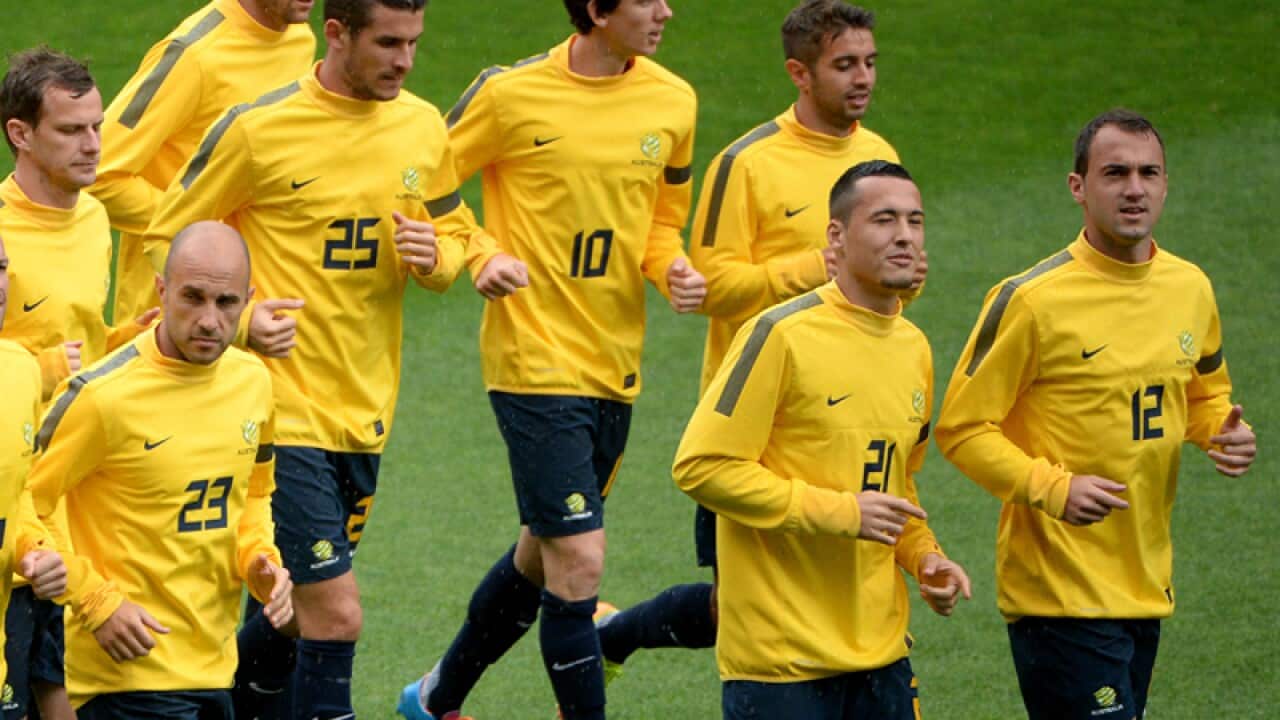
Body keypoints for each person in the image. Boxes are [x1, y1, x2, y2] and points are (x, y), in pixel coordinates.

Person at [141, 1, 503, 715]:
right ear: (336, 34)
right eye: (388, 43)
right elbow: (166, 236)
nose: (405, 60)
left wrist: (439, 259)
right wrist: (238, 320)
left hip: (365, 412)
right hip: (280, 413)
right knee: (334, 613)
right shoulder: (258, 128)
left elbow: (453, 226)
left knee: (284, 616)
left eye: (414, 44)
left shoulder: (422, 126)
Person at [398, 1, 705, 718]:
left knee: (542, 553)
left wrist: (672, 268)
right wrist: (479, 253)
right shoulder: (510, 95)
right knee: (580, 561)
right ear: (597, 10)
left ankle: (434, 699)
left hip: (614, 364)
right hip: (531, 359)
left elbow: (663, 219)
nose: (667, 9)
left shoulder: (674, 100)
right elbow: (421, 176)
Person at [596, 0, 920, 677]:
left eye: (869, 63)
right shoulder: (747, 163)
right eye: (843, 65)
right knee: (738, 607)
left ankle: (614, 634)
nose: (862, 79)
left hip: (844, 407)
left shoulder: (880, 155)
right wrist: (813, 267)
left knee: (810, 591)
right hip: (761, 417)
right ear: (799, 73)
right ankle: (615, 635)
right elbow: (713, 287)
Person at [935, 109, 1258, 720]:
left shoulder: (1190, 287)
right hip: (1058, 592)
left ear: (1166, 184)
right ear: (1077, 187)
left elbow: (1204, 392)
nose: (1134, 188)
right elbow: (961, 427)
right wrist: (1052, 489)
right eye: (1114, 173)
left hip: (1143, 581)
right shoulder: (1030, 300)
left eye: (1148, 173)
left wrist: (1221, 431)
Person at [673, 160, 969, 719]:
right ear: (836, 236)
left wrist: (925, 558)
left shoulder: (914, 349)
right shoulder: (779, 335)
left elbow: (896, 483)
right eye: (884, 220)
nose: (904, 235)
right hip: (781, 666)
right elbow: (701, 466)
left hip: (882, 656)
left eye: (915, 221)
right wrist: (840, 512)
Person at [22, 221, 293, 719]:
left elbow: (254, 493)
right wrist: (94, 599)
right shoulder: (101, 398)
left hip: (212, 664)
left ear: (248, 300)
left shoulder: (254, 382)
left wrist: (263, 561)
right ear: (162, 290)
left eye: (227, 303)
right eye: (193, 298)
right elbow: (22, 503)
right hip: (122, 673)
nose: (210, 320)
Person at [0, 47, 155, 720]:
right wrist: (46, 370)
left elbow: (85, 342)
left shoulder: (94, 218)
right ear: (20, 135)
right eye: (72, 130)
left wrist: (134, 341)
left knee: (63, 688)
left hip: (80, 494)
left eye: (96, 126)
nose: (94, 145)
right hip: (17, 504)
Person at [90, 0, 315, 327]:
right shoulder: (193, 56)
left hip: (259, 306)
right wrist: (202, 232)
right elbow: (99, 173)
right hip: (172, 317)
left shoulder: (300, 39)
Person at [0, 232, 68, 720]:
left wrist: (32, 547)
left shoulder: (20, 372)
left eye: (1, 268)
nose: (1, 285)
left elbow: (17, 491)